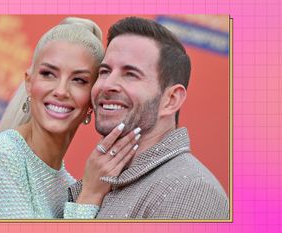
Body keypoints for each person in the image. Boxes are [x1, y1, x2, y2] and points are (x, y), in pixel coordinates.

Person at [0, 17, 140, 219]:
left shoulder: (69, 187)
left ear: (92, 99)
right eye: (48, 74)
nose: (61, 91)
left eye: (79, 80)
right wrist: (90, 195)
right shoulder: (2, 155)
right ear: (29, 82)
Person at [67, 17, 229, 219]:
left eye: (130, 74)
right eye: (105, 71)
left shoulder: (189, 191)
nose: (107, 84)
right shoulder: (102, 179)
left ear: (171, 99)